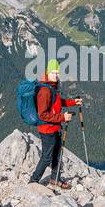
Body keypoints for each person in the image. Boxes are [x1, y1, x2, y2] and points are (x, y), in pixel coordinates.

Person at [29, 59, 82, 189]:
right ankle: (33, 181)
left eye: (58, 73)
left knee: (57, 155)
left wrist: (73, 102)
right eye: (53, 72)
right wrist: (62, 117)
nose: (56, 75)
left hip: (55, 128)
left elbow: (58, 103)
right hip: (47, 130)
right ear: (48, 72)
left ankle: (55, 179)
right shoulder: (45, 91)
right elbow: (43, 114)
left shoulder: (52, 87)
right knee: (47, 157)